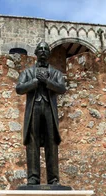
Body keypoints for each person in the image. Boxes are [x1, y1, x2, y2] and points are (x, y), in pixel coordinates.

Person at [16, 41, 67, 186]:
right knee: (32, 141)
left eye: (46, 49)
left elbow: (62, 88)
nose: (43, 51)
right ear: (36, 53)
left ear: (49, 54)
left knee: (52, 142)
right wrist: (36, 81)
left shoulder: (56, 73)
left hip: (49, 109)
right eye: (40, 49)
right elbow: (19, 88)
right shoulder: (27, 73)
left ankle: (53, 179)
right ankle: (33, 177)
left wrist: (47, 81)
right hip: (34, 108)